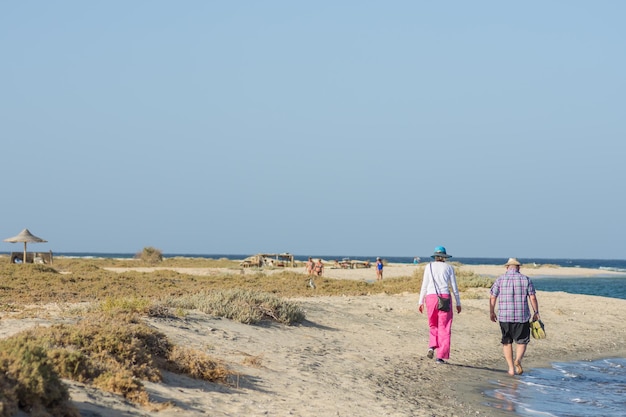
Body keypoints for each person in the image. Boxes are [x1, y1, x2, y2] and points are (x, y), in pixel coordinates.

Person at [490, 258, 540, 376]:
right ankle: (518, 360)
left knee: (507, 341)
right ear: (518, 268)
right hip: (521, 316)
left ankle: (511, 368)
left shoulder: (500, 279)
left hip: (504, 316)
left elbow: (493, 296)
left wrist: (492, 312)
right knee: (522, 341)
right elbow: (532, 297)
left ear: (507, 267)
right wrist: (536, 312)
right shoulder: (526, 279)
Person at [418, 246, 461, 364]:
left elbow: (424, 285)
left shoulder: (428, 267)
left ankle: (432, 346)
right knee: (445, 327)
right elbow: (454, 286)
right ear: (444, 257)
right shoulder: (449, 268)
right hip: (445, 298)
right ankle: (440, 357)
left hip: (431, 297)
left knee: (433, 324)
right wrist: (458, 302)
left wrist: (420, 301)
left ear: (435, 256)